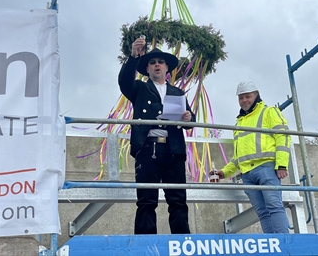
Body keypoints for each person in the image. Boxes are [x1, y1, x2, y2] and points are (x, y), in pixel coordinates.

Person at [118, 37, 195, 234]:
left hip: (173, 149)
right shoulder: (140, 88)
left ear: (167, 67)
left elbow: (190, 119)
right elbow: (124, 81)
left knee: (178, 200)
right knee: (146, 200)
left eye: (160, 62)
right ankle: (145, 245)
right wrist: (133, 56)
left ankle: (182, 244)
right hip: (148, 148)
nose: (157, 65)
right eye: (152, 62)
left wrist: (188, 116)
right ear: (148, 69)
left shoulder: (177, 92)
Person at [211, 80, 291, 233]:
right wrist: (225, 172)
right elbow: (239, 156)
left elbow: (283, 136)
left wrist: (281, 165)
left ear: (256, 95)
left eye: (247, 96)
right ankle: (272, 246)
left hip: (266, 168)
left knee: (274, 206)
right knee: (262, 212)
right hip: (247, 174)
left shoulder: (269, 112)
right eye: (241, 98)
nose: (244, 100)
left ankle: (284, 243)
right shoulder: (239, 122)